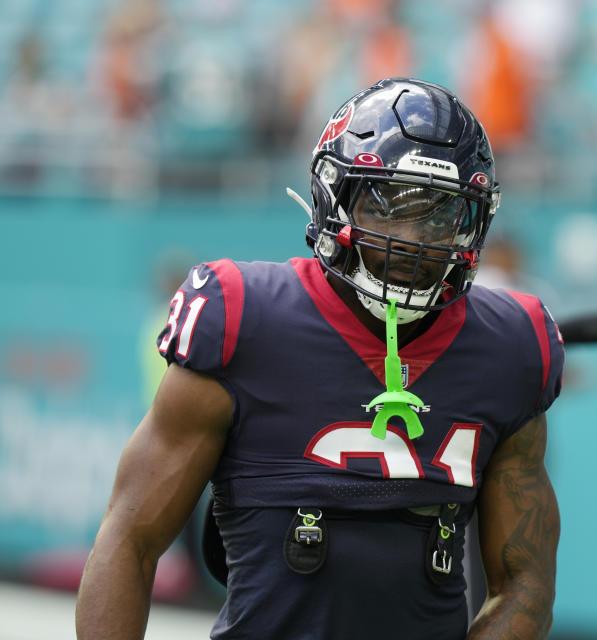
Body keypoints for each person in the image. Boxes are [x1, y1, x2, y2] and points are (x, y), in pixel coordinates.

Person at [75, 78, 564, 640]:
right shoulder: (243, 317)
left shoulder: (510, 346)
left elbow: (525, 582)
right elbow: (129, 540)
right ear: (335, 196)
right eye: (386, 206)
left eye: (440, 216)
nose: (413, 239)